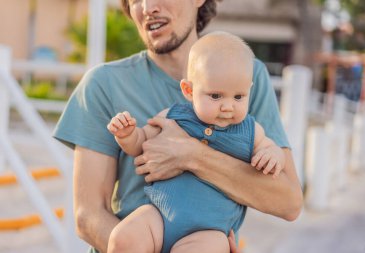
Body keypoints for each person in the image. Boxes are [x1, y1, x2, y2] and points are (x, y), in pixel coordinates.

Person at [53, 0, 303, 252]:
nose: (147, 7)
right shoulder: (103, 84)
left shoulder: (246, 74)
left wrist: (191, 156)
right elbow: (88, 216)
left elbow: (288, 202)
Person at [106, 32, 286, 253]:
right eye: (216, 96)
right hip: (160, 215)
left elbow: (271, 148)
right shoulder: (174, 116)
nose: (228, 106)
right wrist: (127, 136)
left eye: (238, 97)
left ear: (249, 90)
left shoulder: (251, 131)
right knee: (122, 239)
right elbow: (141, 144)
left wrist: (272, 155)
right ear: (189, 91)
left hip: (208, 232)